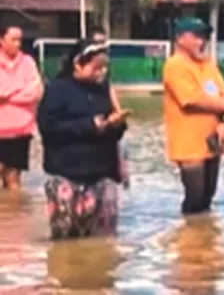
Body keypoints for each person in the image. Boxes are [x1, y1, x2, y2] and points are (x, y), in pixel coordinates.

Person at [37, 40, 128, 239]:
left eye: (104, 68)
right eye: (96, 68)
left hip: (102, 174)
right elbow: (48, 128)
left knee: (102, 242)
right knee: (65, 241)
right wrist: (89, 125)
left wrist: (115, 125)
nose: (100, 73)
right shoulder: (57, 90)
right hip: (67, 174)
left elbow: (116, 131)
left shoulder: (102, 90)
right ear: (77, 64)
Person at [162, 17, 224, 216]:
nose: (200, 41)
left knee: (208, 195)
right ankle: (189, 240)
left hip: (213, 139)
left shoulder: (207, 64)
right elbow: (190, 99)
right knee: (195, 195)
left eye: (203, 37)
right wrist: (222, 105)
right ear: (180, 38)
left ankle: (205, 241)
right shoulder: (175, 65)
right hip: (188, 143)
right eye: (195, 36)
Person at [0, 23, 42, 190]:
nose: (17, 44)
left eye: (20, 40)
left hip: (20, 129)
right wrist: (18, 89)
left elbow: (35, 91)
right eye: (13, 39)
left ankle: (15, 213)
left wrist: (7, 96)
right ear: (1, 41)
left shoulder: (28, 62)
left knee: (14, 179)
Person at [89, 25, 130, 189]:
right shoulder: (82, 64)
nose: (101, 46)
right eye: (97, 42)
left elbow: (109, 87)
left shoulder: (105, 64)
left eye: (104, 43)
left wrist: (118, 112)